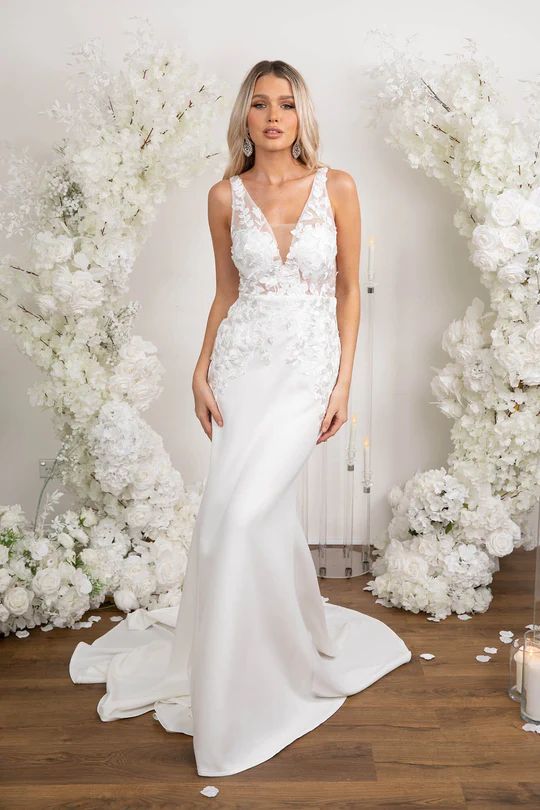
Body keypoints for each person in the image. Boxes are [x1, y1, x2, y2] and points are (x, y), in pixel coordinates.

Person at [69, 60, 412, 778]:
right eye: (260, 105)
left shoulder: (338, 186)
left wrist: (344, 380)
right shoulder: (223, 196)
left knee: (246, 515)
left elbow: (350, 291)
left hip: (308, 369)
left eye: (286, 104)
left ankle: (261, 672)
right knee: (235, 515)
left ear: (301, 115)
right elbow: (225, 291)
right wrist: (200, 367)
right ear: (245, 119)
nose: (274, 116)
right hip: (241, 365)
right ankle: (244, 661)